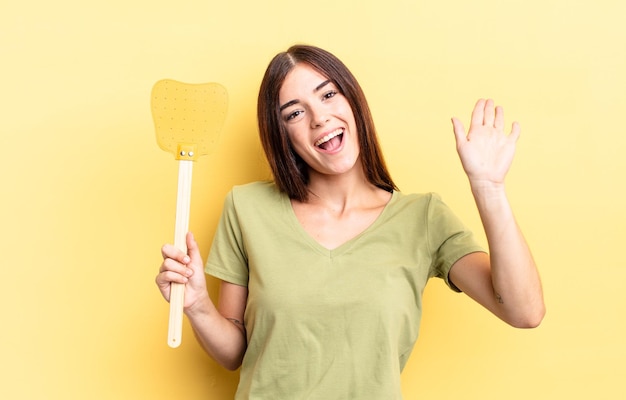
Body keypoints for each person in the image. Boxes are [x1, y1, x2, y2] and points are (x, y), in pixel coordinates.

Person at [156, 44, 545, 399]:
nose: (319, 118)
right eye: (294, 112)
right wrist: (198, 305)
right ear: (282, 134)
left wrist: (488, 188)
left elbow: (524, 311)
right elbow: (234, 354)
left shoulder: (422, 218)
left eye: (328, 94)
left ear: (353, 101)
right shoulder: (246, 208)